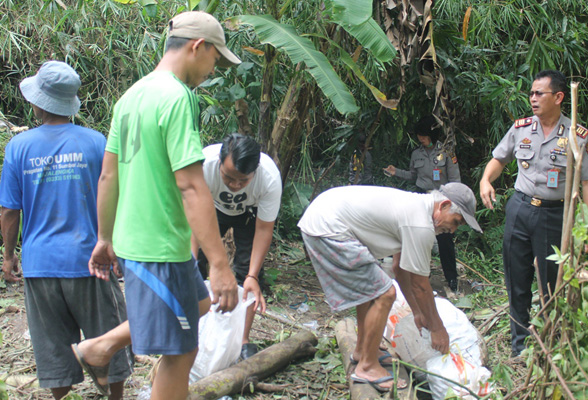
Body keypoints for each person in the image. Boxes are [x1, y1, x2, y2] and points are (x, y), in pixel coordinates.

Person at [71, 11, 241, 400]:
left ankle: (101, 347)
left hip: (142, 241)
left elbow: (108, 176)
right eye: (216, 59)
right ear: (198, 47)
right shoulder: (178, 98)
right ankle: (103, 351)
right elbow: (192, 187)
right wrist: (219, 265)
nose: (213, 70)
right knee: (180, 352)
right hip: (159, 246)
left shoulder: (131, 96)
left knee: (197, 306)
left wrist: (104, 236)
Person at [0, 61, 132, 399]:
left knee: (53, 346)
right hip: (90, 259)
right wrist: (115, 244)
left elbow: (9, 211)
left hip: (40, 262)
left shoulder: (19, 147)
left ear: (38, 103)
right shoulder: (94, 142)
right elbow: (112, 196)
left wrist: (9, 255)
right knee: (109, 335)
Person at [297, 183, 482, 392]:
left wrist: (418, 312)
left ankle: (362, 351)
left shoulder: (417, 210)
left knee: (373, 290)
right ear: (444, 205)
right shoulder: (421, 225)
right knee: (386, 294)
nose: (453, 230)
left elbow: (400, 269)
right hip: (328, 227)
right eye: (456, 221)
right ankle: (367, 366)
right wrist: (438, 328)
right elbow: (421, 286)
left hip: (324, 217)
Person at [480, 70, 588, 357]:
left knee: (551, 282)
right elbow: (499, 158)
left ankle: (551, 342)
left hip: (554, 215)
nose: (532, 98)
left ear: (559, 97)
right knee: (516, 279)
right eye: (531, 93)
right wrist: (486, 180)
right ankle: (519, 346)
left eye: (539, 93)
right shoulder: (521, 128)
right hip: (520, 209)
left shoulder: (577, 136)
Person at [194, 133, 282, 360]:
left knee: (248, 274)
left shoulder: (269, 178)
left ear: (255, 171)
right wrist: (190, 263)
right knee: (196, 268)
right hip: (210, 209)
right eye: (229, 177)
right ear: (220, 164)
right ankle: (195, 331)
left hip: (249, 214)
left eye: (243, 180)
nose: (235, 185)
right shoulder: (203, 165)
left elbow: (264, 229)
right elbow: (191, 218)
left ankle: (242, 341)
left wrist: (252, 275)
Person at [383, 116, 461, 291]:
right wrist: (396, 172)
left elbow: (455, 180)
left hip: (441, 203)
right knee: (416, 238)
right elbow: (413, 175)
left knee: (445, 240)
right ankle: (420, 278)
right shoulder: (416, 153)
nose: (421, 139)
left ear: (431, 135)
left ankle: (452, 279)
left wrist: (452, 205)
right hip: (420, 199)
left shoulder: (447, 152)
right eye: (419, 136)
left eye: (424, 136)